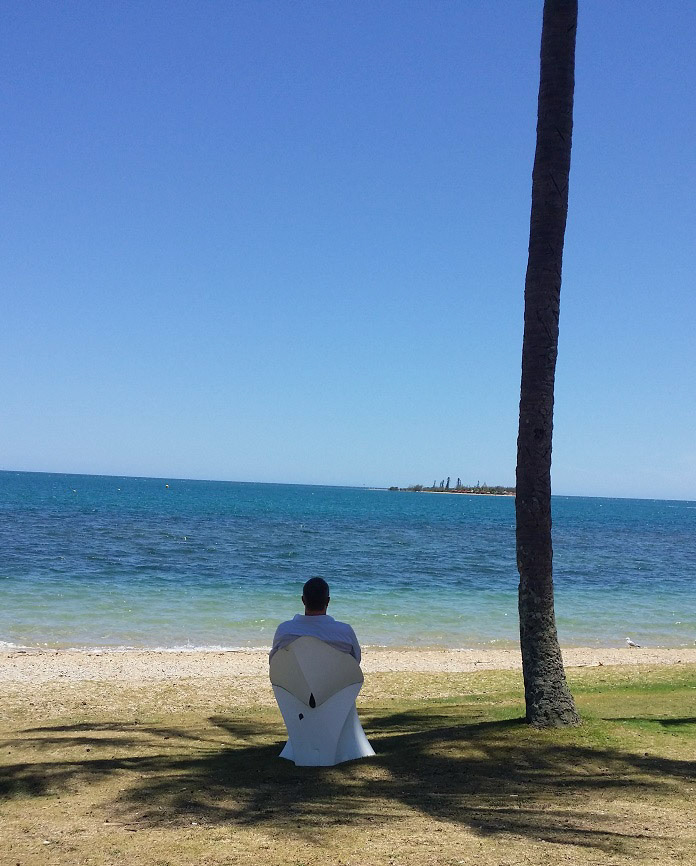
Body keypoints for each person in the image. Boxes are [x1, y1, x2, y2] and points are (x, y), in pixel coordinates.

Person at [269, 577, 361, 663]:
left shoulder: (284, 631)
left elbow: (274, 662)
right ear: (328, 601)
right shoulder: (345, 632)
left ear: (303, 600)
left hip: (295, 675)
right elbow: (355, 662)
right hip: (334, 675)